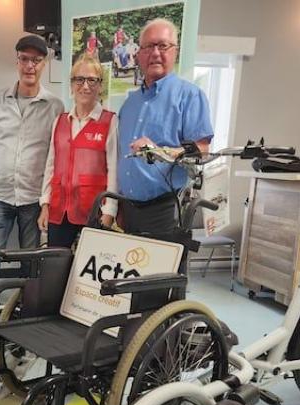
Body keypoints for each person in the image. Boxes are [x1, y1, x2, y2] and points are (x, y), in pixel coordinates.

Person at [0, 34, 64, 303]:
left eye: (36, 60)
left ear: (44, 64)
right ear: (17, 62)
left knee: (31, 264)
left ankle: (25, 318)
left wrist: (46, 199)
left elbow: (55, 155)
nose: (30, 66)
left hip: (32, 199)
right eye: (25, 59)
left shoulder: (55, 106)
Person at [116, 18, 213, 237]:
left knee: (163, 272)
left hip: (165, 211)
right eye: (149, 47)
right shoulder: (129, 104)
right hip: (128, 209)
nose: (155, 53)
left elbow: (202, 150)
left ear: (175, 51)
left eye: (163, 46)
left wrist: (161, 152)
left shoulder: (190, 96)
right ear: (139, 54)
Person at [38, 54, 118, 248]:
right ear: (72, 85)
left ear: (100, 86)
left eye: (92, 80)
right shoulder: (60, 120)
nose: (85, 86)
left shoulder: (110, 121)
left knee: (88, 274)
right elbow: (51, 165)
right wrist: (45, 204)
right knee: (56, 270)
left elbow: (114, 170)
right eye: (79, 79)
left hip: (92, 212)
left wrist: (110, 211)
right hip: (59, 210)